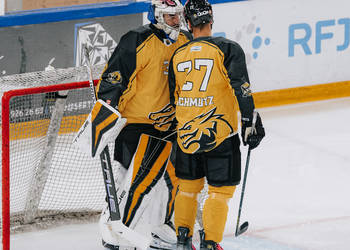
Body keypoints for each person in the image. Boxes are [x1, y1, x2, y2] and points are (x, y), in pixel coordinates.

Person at [168, 0, 265, 249]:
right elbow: (242, 88)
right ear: (211, 20)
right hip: (219, 133)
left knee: (187, 189)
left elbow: (173, 97)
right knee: (219, 192)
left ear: (188, 24)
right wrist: (248, 121)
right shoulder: (228, 48)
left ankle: (182, 239)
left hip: (186, 133)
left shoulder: (177, 55)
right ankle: (210, 244)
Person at [95, 0, 192, 249]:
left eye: (177, 15)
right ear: (157, 16)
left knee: (176, 177)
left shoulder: (184, 40)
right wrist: (106, 109)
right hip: (137, 125)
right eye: (170, 16)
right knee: (135, 180)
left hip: (170, 124)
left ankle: (162, 226)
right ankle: (112, 226)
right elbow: (113, 77)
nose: (175, 20)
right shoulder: (136, 40)